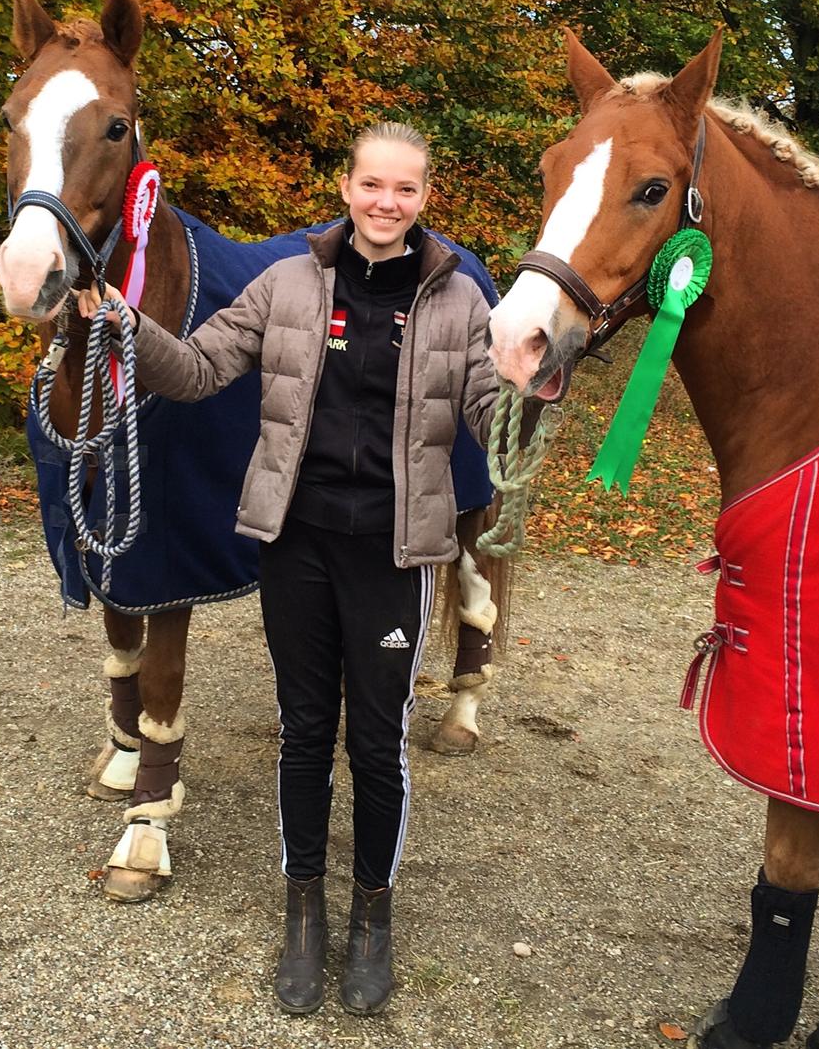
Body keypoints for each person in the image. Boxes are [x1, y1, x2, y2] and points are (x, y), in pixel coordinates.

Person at [81, 122, 506, 1017]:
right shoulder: (288, 284)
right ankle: (304, 915)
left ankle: (373, 919)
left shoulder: (461, 299)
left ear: (425, 199)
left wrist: (537, 372)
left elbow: (491, 415)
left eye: (406, 190)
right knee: (306, 734)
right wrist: (125, 323)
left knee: (376, 745)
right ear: (346, 188)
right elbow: (197, 371)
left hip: (395, 553)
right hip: (297, 546)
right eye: (372, 185)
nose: (387, 203)